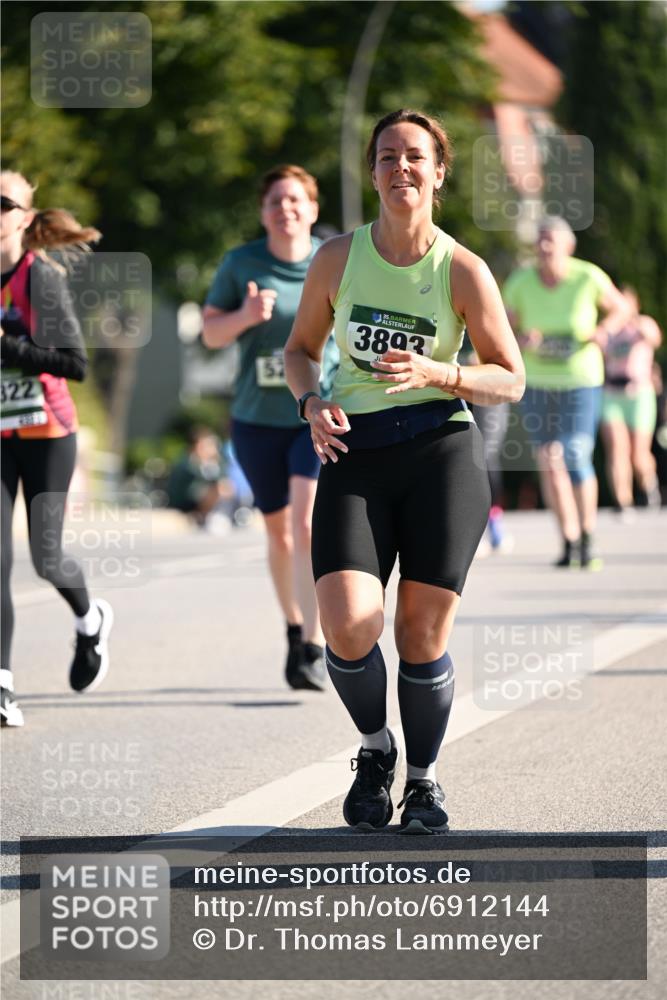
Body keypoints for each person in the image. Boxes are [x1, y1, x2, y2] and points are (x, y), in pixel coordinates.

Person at [284, 109, 524, 832]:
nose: (401, 168)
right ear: (372, 172)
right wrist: (310, 402)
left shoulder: (462, 269)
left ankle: (422, 781)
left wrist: (440, 372)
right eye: (387, 156)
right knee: (349, 623)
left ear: (438, 171)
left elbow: (509, 378)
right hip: (354, 452)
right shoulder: (337, 258)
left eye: (415, 156)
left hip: (439, 452)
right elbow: (300, 350)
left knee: (419, 631)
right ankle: (374, 749)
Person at [202, 165, 337, 692]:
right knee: (279, 533)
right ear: (263, 212)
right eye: (276, 201)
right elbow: (211, 333)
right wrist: (246, 315)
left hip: (312, 417)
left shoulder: (331, 260)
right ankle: (293, 629)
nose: (286, 208)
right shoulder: (241, 263)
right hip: (256, 420)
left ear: (313, 209)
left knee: (305, 525)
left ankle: (315, 643)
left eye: (296, 199)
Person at [1, 170, 113, 727]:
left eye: (3, 202)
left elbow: (75, 364)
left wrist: (9, 346)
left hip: (48, 434)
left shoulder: (39, 278)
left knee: (46, 558)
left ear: (24, 218)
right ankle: (2, 686)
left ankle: (90, 619)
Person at [504, 217, 629, 568]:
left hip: (580, 380)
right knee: (548, 458)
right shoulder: (520, 282)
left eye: (551, 240)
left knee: (575, 455)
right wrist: (521, 340)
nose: (544, 247)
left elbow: (622, 309)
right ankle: (568, 539)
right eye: (540, 240)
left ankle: (587, 536)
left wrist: (604, 330)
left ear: (568, 247)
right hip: (538, 382)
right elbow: (501, 329)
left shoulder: (587, 276)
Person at [600, 287, 662, 514]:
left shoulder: (643, 324)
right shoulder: (607, 330)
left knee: (639, 454)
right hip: (611, 392)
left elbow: (654, 338)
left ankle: (648, 485)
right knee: (617, 448)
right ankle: (623, 501)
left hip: (639, 393)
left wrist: (633, 322)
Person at [167, 425, 234, 531]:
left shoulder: (216, 463)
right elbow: (200, 480)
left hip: (201, 497)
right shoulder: (189, 461)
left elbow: (223, 479)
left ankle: (221, 514)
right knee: (216, 488)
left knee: (224, 486)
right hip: (186, 499)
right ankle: (206, 516)